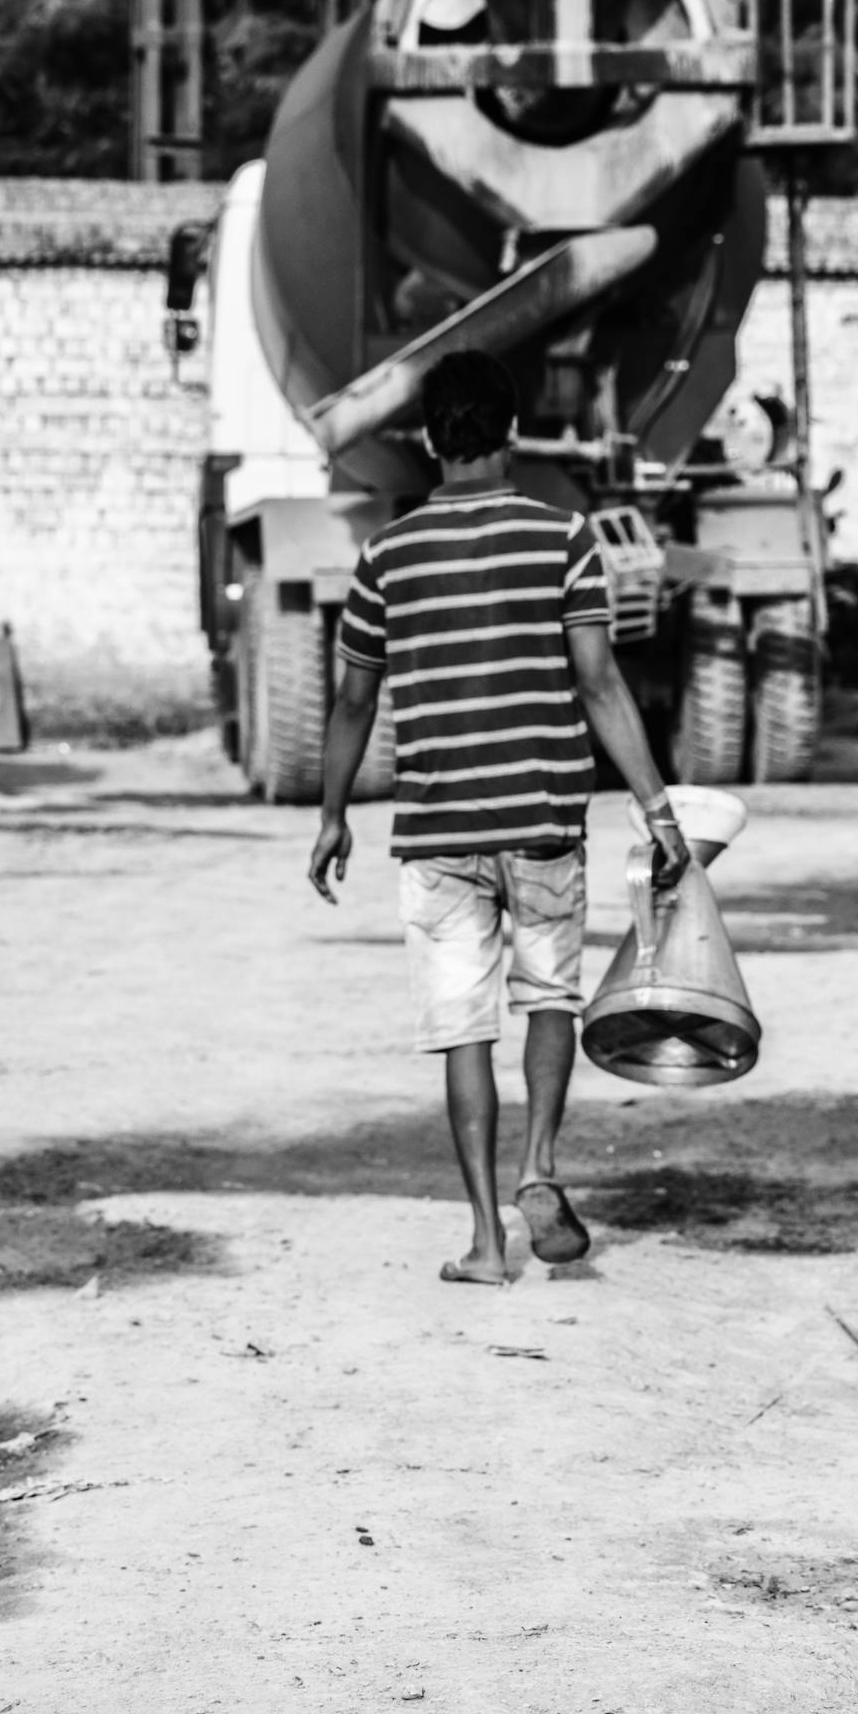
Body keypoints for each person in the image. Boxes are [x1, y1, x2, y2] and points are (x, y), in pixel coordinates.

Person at [307, 349, 689, 1285]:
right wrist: (656, 808)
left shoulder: (384, 556)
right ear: (513, 432)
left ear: (431, 438)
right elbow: (600, 683)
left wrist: (330, 817)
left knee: (462, 1028)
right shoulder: (563, 539)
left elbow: (354, 702)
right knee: (549, 998)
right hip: (544, 817)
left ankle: (485, 1243)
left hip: (438, 833)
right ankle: (539, 1168)